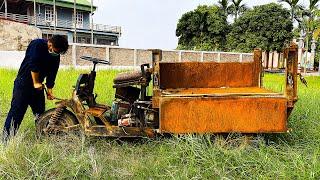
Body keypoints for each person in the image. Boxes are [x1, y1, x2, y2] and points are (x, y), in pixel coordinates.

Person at [3, 35, 69, 142]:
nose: (56, 54)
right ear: (50, 44)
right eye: (56, 51)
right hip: (23, 84)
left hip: (38, 88)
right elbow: (33, 64)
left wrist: (49, 90)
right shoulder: (37, 44)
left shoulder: (55, 55)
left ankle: (42, 139)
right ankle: (6, 141)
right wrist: (36, 82)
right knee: (16, 113)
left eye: (58, 52)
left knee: (41, 115)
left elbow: (53, 72)